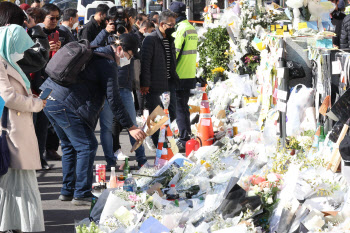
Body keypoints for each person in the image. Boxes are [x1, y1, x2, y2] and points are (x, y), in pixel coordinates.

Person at [41, 34, 146, 206]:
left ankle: (68, 190)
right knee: (87, 145)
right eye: (130, 55)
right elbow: (114, 99)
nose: (129, 59)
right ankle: (81, 193)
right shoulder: (108, 63)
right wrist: (131, 127)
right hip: (64, 103)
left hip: (49, 97)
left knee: (69, 146)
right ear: (120, 49)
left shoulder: (96, 52)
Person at [0, 24, 46, 233]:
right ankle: (19, 225)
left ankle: (14, 224)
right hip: (10, 129)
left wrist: (30, 98)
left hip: (14, 126)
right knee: (16, 179)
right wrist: (34, 104)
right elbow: (7, 97)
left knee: (16, 180)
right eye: (19, 46)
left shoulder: (7, 61)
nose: (21, 52)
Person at [140, 10, 179, 147]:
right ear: (162, 24)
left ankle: (149, 130)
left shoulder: (170, 39)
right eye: (171, 24)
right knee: (157, 113)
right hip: (155, 84)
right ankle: (156, 142)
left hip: (170, 82)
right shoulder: (151, 39)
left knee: (172, 112)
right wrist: (145, 83)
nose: (173, 27)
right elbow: (145, 63)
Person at [169, 2, 198, 152]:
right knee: (183, 108)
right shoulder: (191, 28)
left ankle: (184, 138)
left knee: (179, 108)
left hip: (179, 74)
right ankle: (187, 135)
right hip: (189, 74)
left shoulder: (180, 29)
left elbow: (175, 53)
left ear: (175, 16)